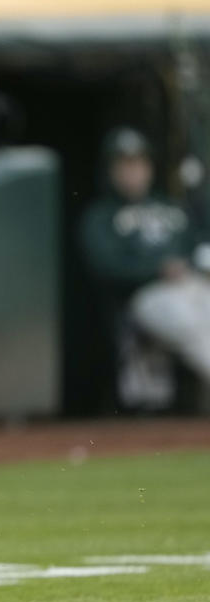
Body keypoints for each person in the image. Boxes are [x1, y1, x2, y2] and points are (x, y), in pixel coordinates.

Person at [79, 126, 210, 408]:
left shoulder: (172, 207)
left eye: (138, 164)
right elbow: (104, 265)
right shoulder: (102, 214)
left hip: (191, 286)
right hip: (145, 295)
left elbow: (197, 247)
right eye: (124, 165)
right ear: (110, 170)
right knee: (184, 317)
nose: (132, 172)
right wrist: (156, 269)